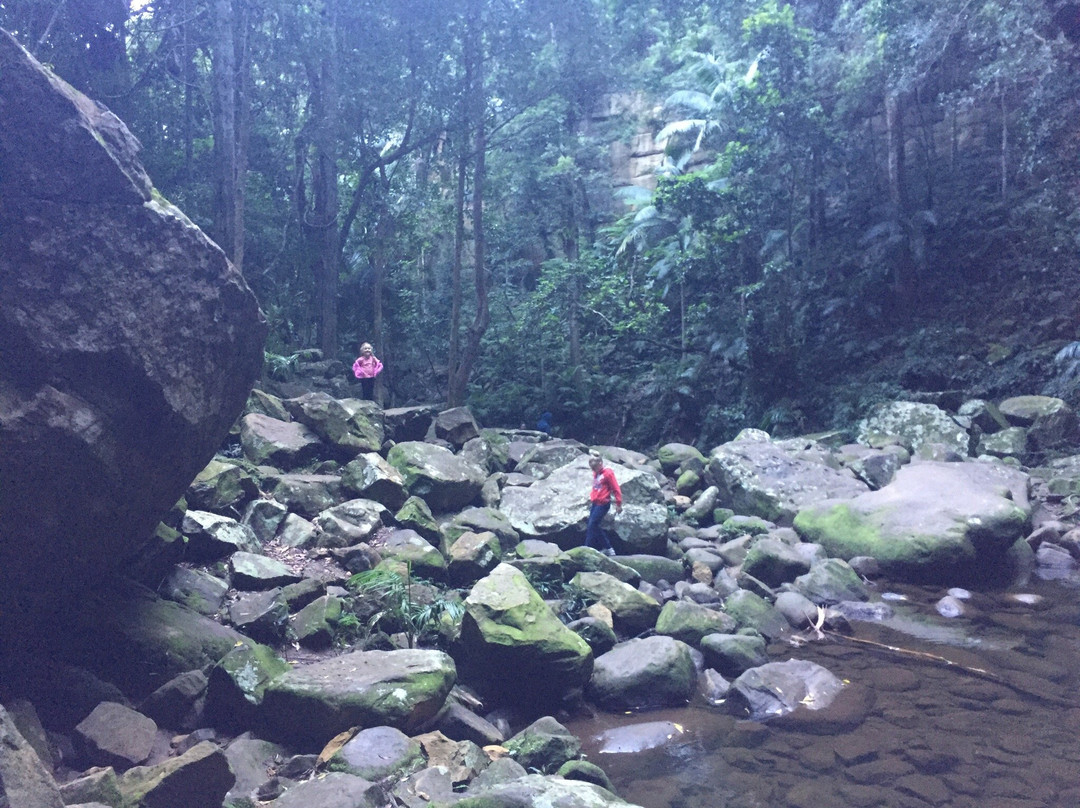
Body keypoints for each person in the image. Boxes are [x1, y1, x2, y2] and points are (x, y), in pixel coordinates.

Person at [585, 452, 622, 557]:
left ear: (600, 463)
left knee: (593, 524)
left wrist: (618, 503)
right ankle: (587, 548)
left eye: (595, 468)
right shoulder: (596, 473)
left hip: (603, 503)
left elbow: (616, 488)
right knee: (591, 526)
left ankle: (608, 548)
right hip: (595, 503)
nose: (594, 470)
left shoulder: (608, 473)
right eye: (593, 469)